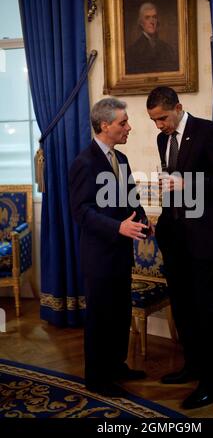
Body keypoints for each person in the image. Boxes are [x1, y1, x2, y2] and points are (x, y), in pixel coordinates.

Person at [146, 87, 213, 409]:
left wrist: (188, 184)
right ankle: (192, 366)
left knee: (205, 310)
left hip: (203, 238)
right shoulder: (163, 140)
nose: (159, 126)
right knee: (184, 308)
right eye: (154, 121)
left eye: (162, 118)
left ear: (178, 107)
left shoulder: (208, 131)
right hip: (174, 237)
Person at [69, 97, 148, 397]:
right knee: (101, 318)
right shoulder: (83, 163)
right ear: (105, 125)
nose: (129, 127)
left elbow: (130, 200)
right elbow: (82, 212)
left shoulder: (122, 160)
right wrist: (118, 227)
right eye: (123, 123)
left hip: (120, 254)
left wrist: (141, 220)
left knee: (120, 314)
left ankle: (116, 366)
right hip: (99, 256)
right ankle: (97, 379)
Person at [126, 2, 178, 74]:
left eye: (154, 17)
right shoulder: (133, 51)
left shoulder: (166, 48)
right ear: (141, 22)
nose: (152, 21)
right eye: (147, 18)